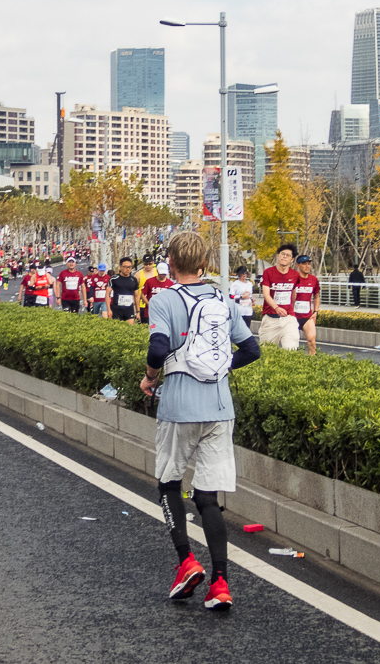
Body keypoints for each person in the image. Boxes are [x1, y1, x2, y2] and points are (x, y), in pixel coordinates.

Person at [140, 231, 260, 610]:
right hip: (220, 409)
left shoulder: (163, 298)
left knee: (169, 485)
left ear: (171, 264)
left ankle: (187, 563)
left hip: (178, 409)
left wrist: (150, 378)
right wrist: (223, 367)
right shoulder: (222, 299)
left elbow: (158, 348)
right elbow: (251, 349)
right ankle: (221, 583)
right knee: (209, 498)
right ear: (205, 265)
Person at [259, 244, 301, 350]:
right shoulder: (268, 272)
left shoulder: (295, 275)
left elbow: (294, 294)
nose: (284, 257)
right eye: (282, 254)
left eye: (288, 255)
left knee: (290, 349)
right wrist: (276, 307)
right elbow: (266, 294)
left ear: (292, 260)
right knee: (267, 352)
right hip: (271, 318)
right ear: (278, 256)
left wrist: (291, 309)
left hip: (288, 319)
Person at [292, 255, 321, 356]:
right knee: (292, 344)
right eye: (304, 264)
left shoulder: (313, 279)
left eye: (309, 264)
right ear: (298, 265)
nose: (307, 266)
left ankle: (312, 363)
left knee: (312, 341)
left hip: (307, 316)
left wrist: (316, 311)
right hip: (293, 316)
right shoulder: (293, 279)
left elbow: (316, 296)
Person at [107, 257, 140, 325]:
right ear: (120, 267)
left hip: (129, 310)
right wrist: (109, 309)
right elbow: (107, 294)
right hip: (117, 310)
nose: (127, 269)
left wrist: (138, 311)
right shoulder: (114, 278)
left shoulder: (134, 280)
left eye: (129, 267)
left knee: (129, 330)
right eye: (125, 267)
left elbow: (137, 296)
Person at [229, 265, 255, 331]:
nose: (244, 275)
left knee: (247, 329)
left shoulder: (249, 284)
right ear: (239, 275)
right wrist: (241, 297)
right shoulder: (235, 284)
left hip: (248, 310)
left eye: (245, 273)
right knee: (239, 329)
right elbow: (231, 296)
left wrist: (252, 301)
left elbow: (250, 295)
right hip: (239, 310)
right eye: (243, 274)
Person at [136, 254, 159, 325]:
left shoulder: (158, 272)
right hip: (142, 305)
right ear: (143, 264)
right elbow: (135, 292)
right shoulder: (138, 275)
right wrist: (136, 310)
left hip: (156, 305)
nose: (148, 266)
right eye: (146, 264)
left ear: (153, 263)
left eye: (150, 264)